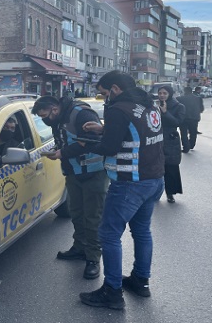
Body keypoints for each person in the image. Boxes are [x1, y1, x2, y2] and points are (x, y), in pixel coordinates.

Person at [77, 70, 164, 310]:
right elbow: (134, 132)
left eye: (104, 93)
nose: (104, 97)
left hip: (129, 182)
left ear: (115, 89)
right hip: (154, 179)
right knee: (142, 232)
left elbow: (110, 147)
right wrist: (102, 128)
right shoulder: (149, 106)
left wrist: (87, 143)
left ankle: (112, 291)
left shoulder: (118, 109)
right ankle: (140, 281)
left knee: (108, 235)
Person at [32, 95, 108, 280]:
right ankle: (79, 247)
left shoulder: (81, 114)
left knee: (92, 217)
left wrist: (61, 153)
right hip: (74, 173)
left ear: (55, 109)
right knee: (76, 213)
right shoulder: (59, 118)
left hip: (93, 173)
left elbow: (93, 141)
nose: (45, 120)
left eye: (45, 116)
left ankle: (92, 259)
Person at [157, 85, 186, 203]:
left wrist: (165, 112)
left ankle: (170, 193)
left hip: (170, 139)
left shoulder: (179, 106)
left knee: (170, 166)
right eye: (160, 93)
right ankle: (155, 193)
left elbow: (178, 122)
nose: (162, 95)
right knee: (155, 167)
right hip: (156, 138)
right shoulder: (154, 105)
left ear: (170, 94)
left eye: (164, 93)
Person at [177, 86, 204, 152]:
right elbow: (201, 108)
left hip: (184, 118)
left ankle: (186, 147)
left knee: (183, 133)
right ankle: (191, 145)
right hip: (194, 118)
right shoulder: (198, 98)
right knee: (193, 132)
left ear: (184, 91)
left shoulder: (179, 99)